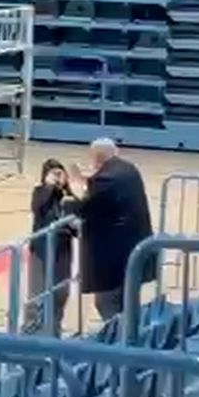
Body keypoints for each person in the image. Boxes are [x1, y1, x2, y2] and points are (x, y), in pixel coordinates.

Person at [69, 137, 155, 322]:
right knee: (127, 301)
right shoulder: (128, 169)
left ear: (96, 157)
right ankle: (126, 333)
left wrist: (74, 188)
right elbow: (103, 190)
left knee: (107, 303)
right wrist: (85, 180)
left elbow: (85, 207)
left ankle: (117, 336)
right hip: (133, 248)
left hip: (114, 257)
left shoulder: (105, 179)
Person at [24, 158, 76, 335]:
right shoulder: (40, 192)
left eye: (60, 173)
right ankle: (32, 330)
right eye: (53, 173)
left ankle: (54, 329)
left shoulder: (68, 196)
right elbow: (38, 208)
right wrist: (48, 187)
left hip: (62, 251)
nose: (58, 177)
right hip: (41, 250)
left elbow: (77, 223)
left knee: (60, 293)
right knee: (37, 293)